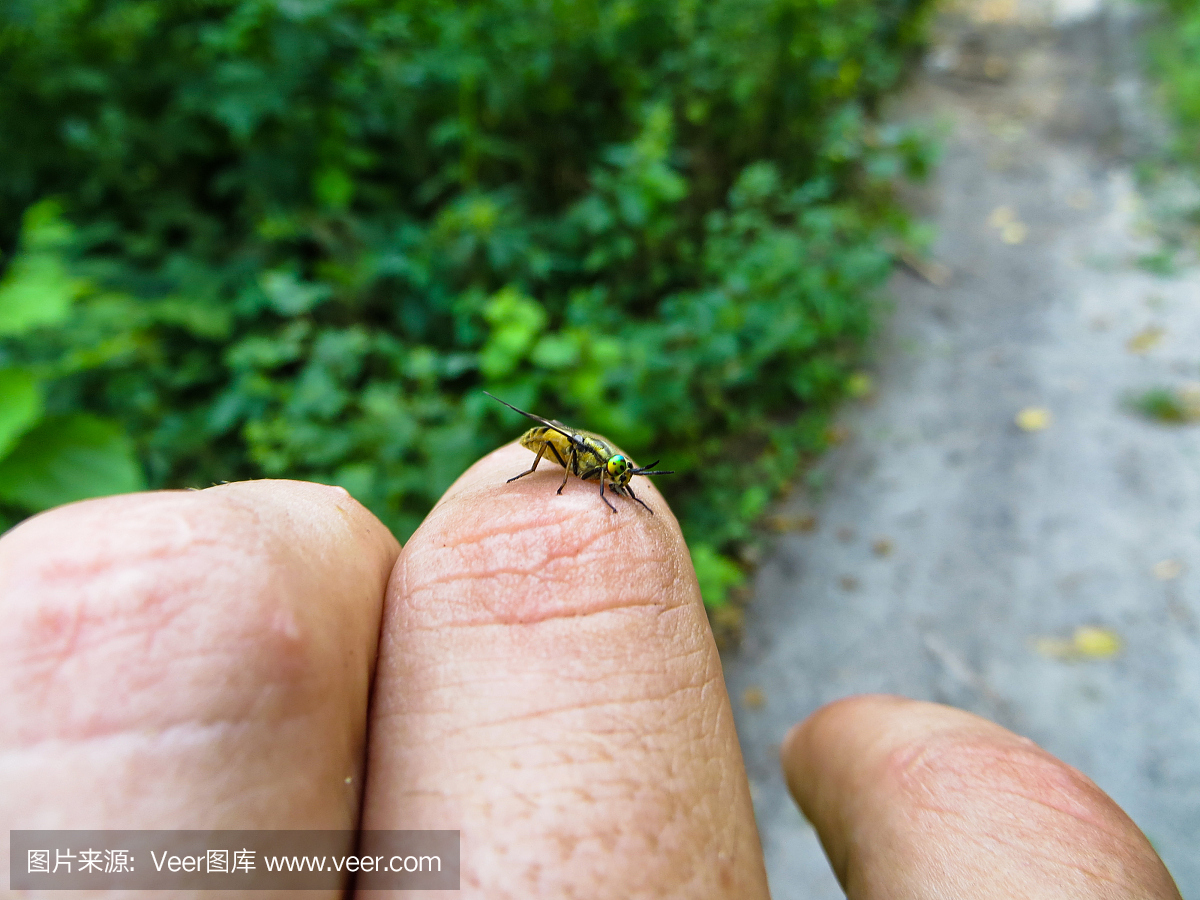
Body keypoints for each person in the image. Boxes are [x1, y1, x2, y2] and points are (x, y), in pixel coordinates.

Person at [0, 442, 1181, 898]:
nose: (575, 471)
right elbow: (555, 471)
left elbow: (573, 475)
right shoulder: (560, 470)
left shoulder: (584, 477)